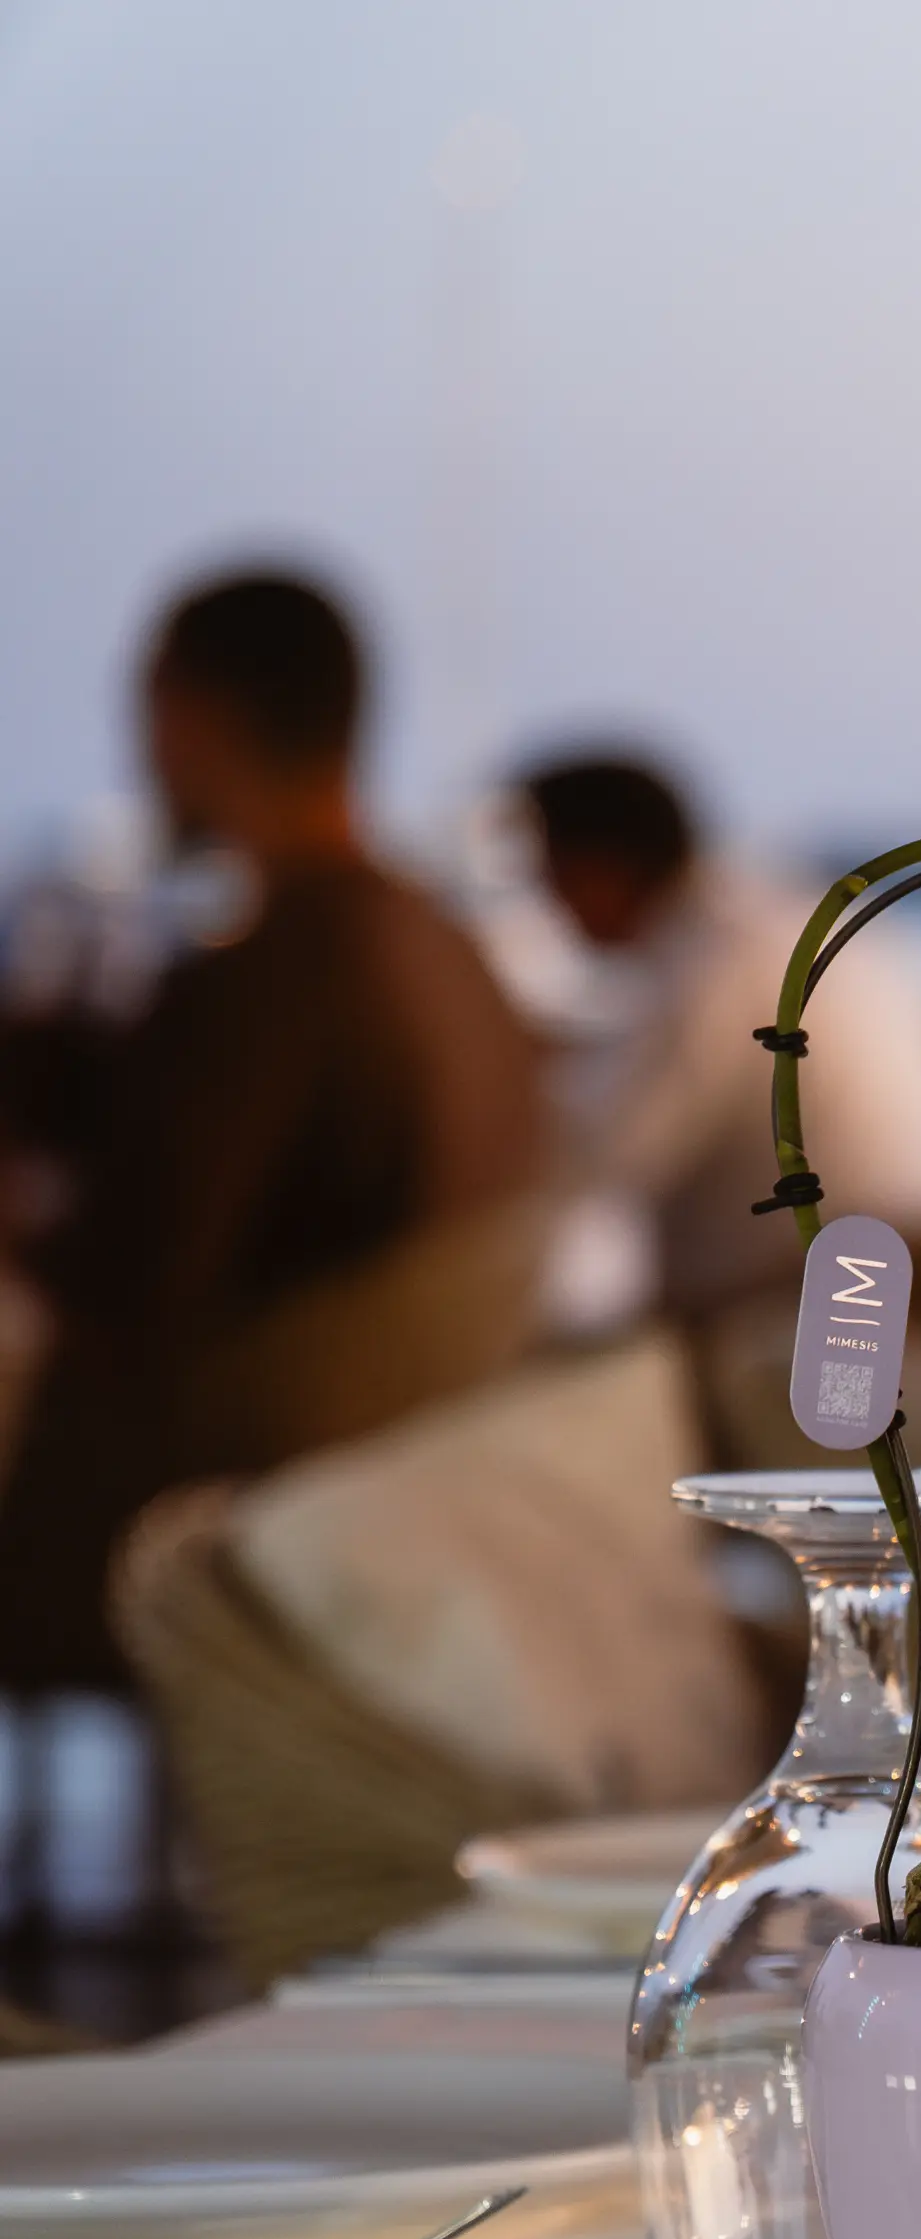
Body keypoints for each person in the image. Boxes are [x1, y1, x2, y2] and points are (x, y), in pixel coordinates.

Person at [0, 570, 546, 1686]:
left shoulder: (276, 971)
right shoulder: (438, 945)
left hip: (201, 1506)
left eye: (146, 713)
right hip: (400, 1468)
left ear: (195, 714)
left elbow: (128, 1285)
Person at [519, 751, 921, 1329]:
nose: (552, 907)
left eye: (551, 878)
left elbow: (604, 1151)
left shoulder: (713, 960)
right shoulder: (766, 922)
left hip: (793, 1309)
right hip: (888, 1276)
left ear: (601, 866)